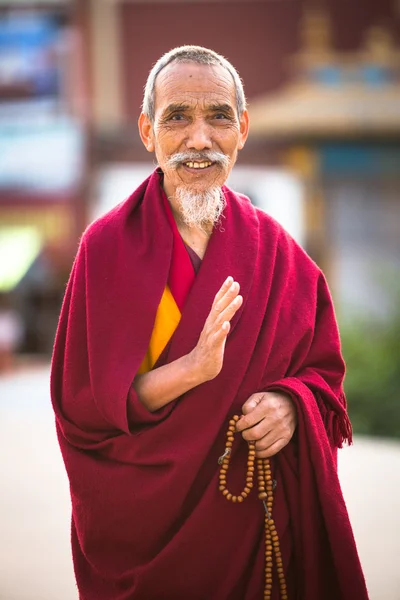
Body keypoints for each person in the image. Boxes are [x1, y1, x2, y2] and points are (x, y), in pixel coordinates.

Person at [51, 46, 368, 600]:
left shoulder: (279, 255)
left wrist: (291, 405)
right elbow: (84, 411)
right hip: (144, 532)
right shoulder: (106, 249)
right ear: (148, 131)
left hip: (249, 528)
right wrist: (192, 371)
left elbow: (324, 380)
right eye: (177, 117)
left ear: (242, 129)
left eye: (218, 116)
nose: (199, 139)